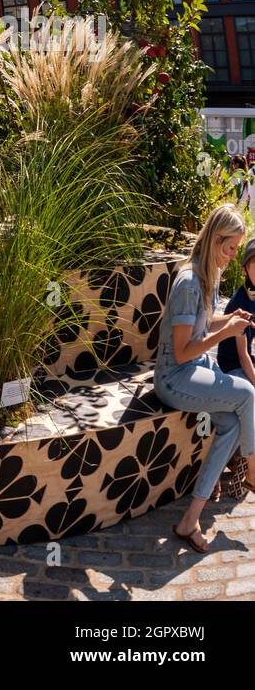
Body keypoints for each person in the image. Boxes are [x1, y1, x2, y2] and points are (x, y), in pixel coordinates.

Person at [155, 203, 255, 553]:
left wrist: (227, 320)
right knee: (246, 393)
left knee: (229, 424)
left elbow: (201, 325)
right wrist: (226, 332)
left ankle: (189, 520)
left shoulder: (207, 275)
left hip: (193, 369)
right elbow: (182, 351)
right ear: (215, 240)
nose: (231, 256)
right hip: (175, 376)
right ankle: (254, 467)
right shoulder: (188, 282)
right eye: (229, 248)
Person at [218, 238, 255, 383]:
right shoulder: (240, 304)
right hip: (232, 365)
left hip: (247, 359)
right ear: (244, 269)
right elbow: (242, 355)